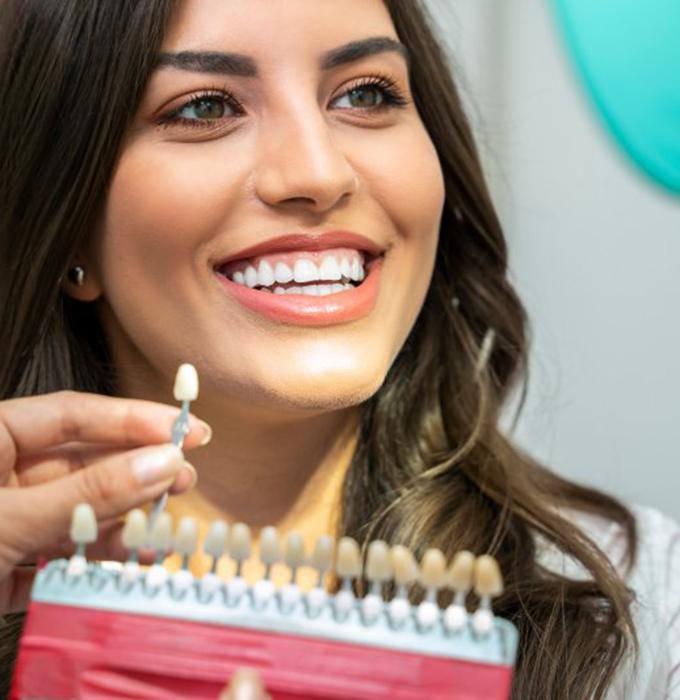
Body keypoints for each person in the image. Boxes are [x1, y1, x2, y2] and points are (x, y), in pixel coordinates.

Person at [0, 1, 678, 698]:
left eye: (365, 94)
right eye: (204, 108)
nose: (319, 174)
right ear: (68, 220)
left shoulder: (649, 613)